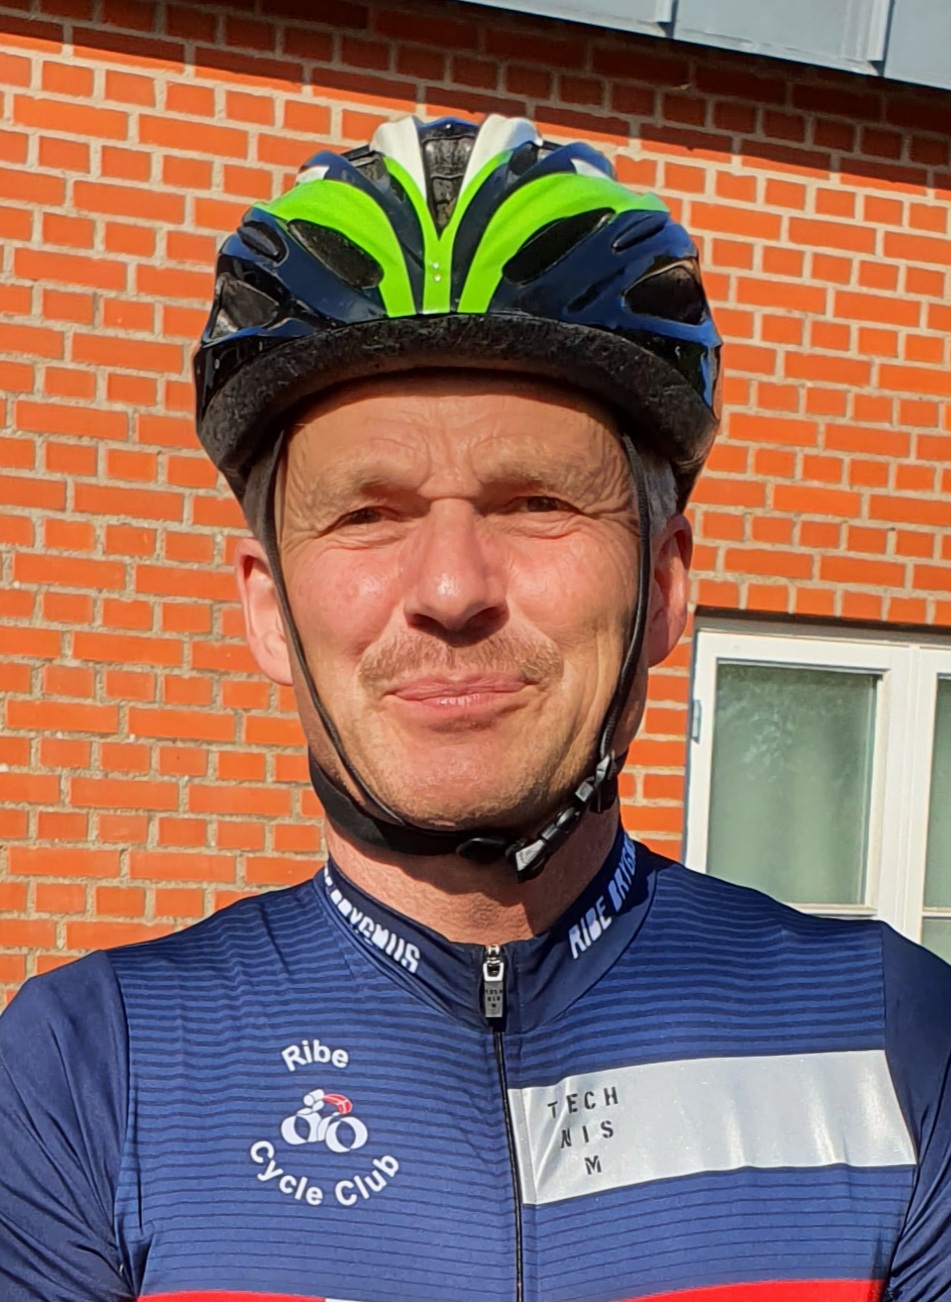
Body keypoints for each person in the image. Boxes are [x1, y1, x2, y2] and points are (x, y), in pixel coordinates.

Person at [1, 113, 950, 1302]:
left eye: (535, 501)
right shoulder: (89, 1073)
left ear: (663, 585)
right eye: (367, 513)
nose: (452, 590)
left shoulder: (902, 1042)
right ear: (267, 608)